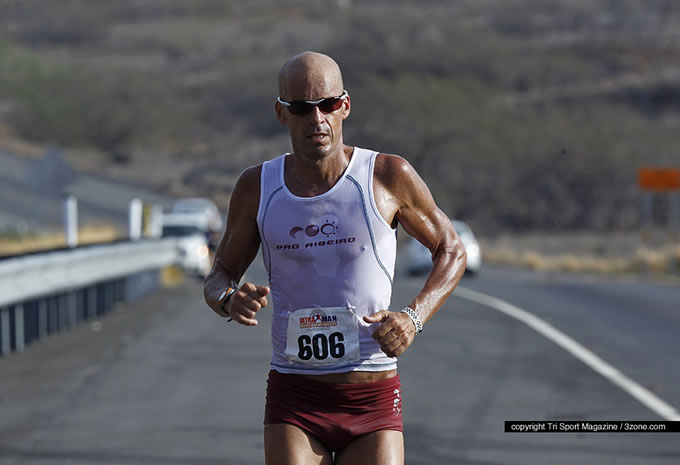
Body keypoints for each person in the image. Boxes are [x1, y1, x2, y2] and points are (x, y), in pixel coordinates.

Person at [204, 51, 467, 465]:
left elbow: (451, 250)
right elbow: (219, 274)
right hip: (296, 398)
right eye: (302, 108)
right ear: (281, 113)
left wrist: (413, 319)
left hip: (372, 397)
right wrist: (227, 299)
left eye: (327, 105)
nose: (317, 119)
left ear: (344, 105)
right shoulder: (258, 186)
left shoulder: (386, 176)